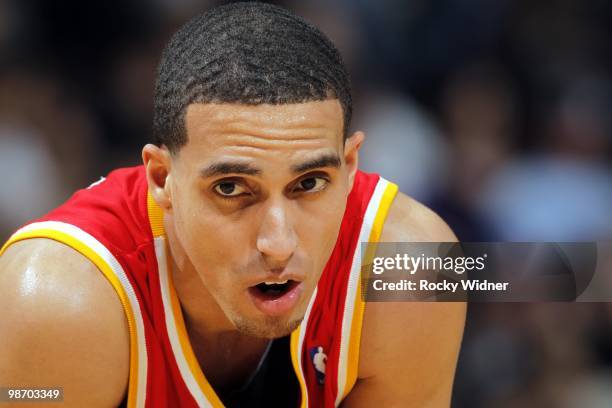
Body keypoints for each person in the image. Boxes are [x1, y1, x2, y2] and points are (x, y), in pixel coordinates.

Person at [0, 3, 465, 407]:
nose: (278, 244)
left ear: (348, 168)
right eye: (230, 188)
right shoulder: (53, 305)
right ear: (163, 179)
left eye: (309, 183)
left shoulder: (420, 267)